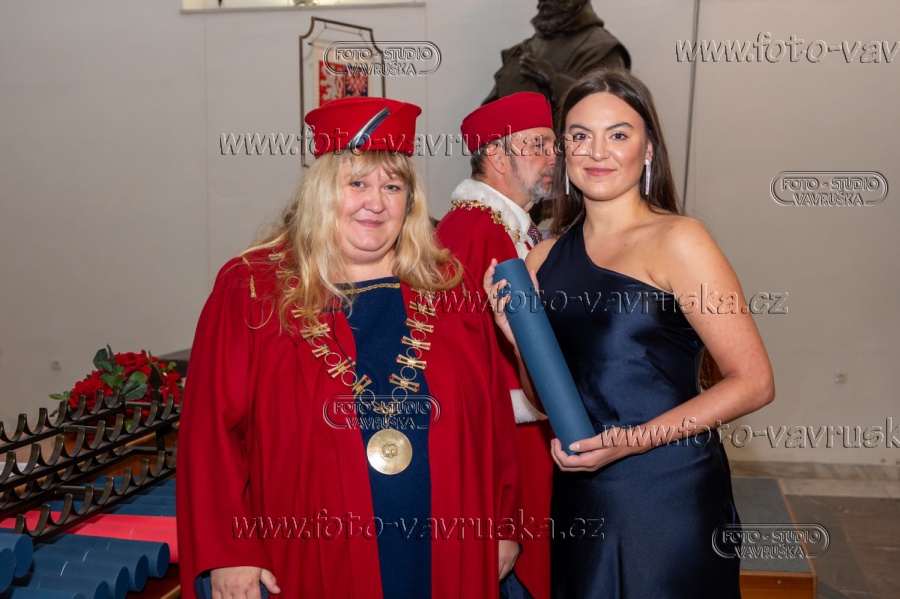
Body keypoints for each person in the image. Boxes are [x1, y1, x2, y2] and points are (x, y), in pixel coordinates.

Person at [176, 96, 521, 599]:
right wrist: (230, 550)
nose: (375, 202)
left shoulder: (449, 284)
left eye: (392, 186)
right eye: (356, 183)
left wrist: (504, 523)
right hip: (312, 553)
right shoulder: (251, 289)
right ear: (321, 191)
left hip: (447, 549)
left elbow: (493, 418)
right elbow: (211, 433)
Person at [485, 68, 775, 598]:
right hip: (582, 493)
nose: (597, 151)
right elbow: (545, 402)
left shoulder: (680, 240)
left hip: (668, 492)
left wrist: (629, 442)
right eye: (580, 136)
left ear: (648, 150)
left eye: (618, 134)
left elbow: (753, 381)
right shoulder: (544, 258)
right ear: (564, 152)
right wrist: (518, 339)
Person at [435, 91, 556, 599]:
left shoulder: (516, 230)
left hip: (528, 444)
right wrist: (494, 516)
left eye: (553, 145)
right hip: (503, 456)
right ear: (497, 156)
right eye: (538, 145)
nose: (554, 157)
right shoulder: (472, 231)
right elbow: (457, 377)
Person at [484, 0, 630, 116]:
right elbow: (488, 112)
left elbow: (610, 110)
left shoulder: (602, 47)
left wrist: (553, 79)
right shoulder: (525, 48)